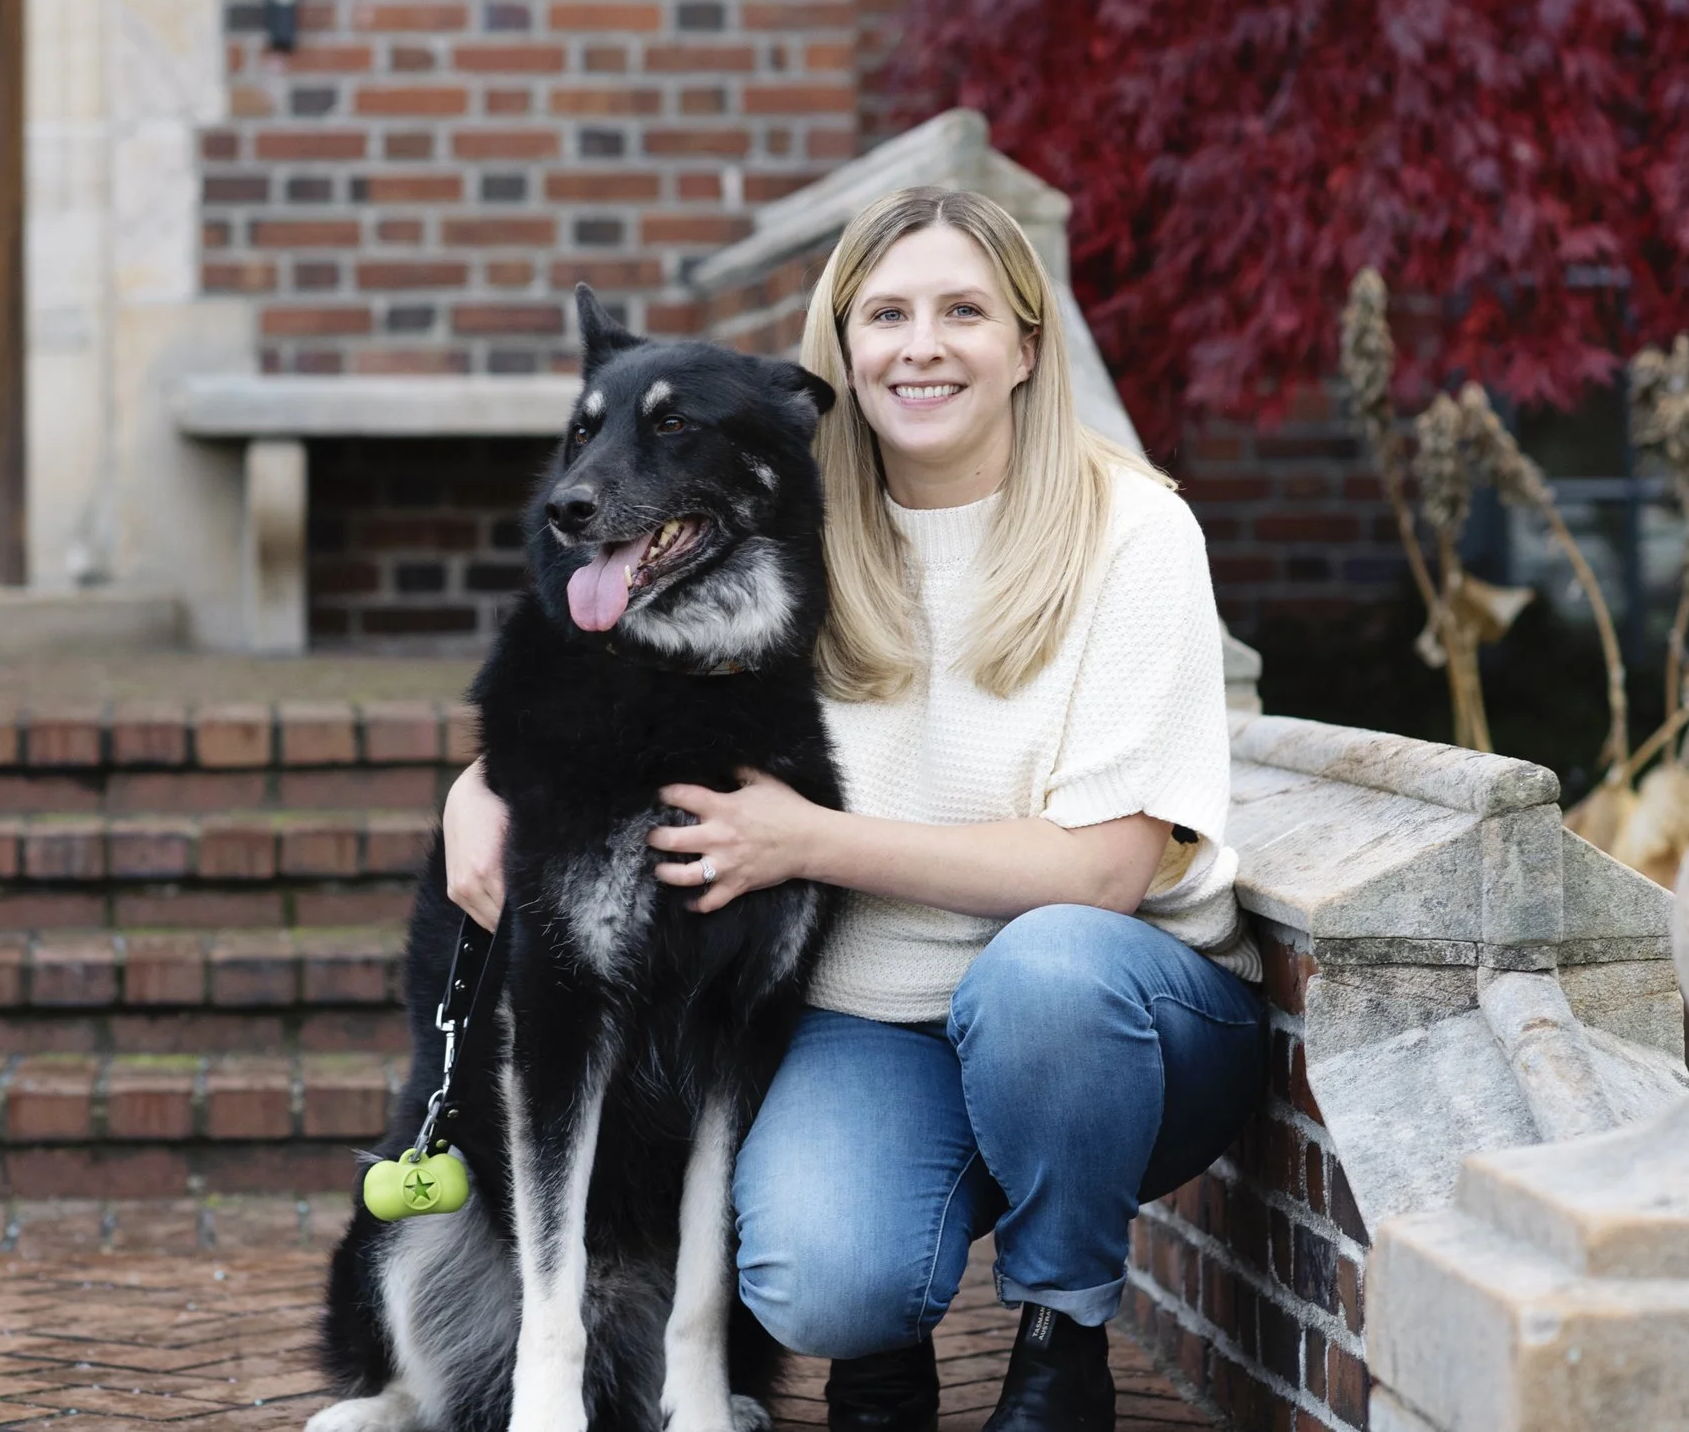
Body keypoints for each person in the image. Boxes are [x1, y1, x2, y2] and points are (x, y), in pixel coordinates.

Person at [439, 186, 1263, 1432]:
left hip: (1115, 1013)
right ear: (843, 348)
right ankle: (885, 1337)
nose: (920, 344)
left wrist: (812, 842)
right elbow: (595, 696)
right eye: (886, 313)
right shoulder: (771, 526)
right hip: (870, 1023)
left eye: (962, 311)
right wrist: (478, 786)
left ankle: (1062, 1333)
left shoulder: (1131, 530)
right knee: (820, 1278)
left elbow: (1103, 873)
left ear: (1027, 344)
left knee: (1044, 977)